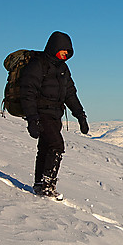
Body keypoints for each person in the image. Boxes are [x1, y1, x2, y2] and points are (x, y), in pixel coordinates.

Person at [19, 31, 89, 198]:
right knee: (57, 146)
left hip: (55, 114)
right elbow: (27, 93)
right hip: (41, 114)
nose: (66, 54)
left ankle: (39, 184)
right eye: (64, 50)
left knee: (45, 149)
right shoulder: (38, 65)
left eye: (68, 51)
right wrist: (32, 119)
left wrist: (80, 116)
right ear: (55, 47)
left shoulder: (63, 68)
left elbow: (70, 94)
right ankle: (47, 186)